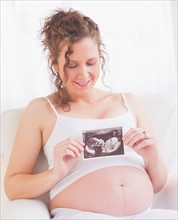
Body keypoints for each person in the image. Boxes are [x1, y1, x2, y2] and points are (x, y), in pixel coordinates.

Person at [4, 8, 177, 219]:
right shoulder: (41, 110)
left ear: (100, 58)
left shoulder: (129, 102)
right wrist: (55, 173)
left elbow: (158, 184)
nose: (83, 74)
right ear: (54, 64)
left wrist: (152, 156)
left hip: (145, 214)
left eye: (91, 63)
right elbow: (12, 187)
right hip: (80, 214)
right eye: (72, 65)